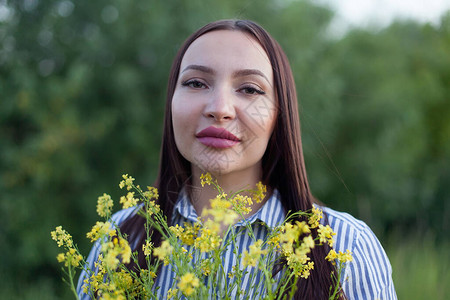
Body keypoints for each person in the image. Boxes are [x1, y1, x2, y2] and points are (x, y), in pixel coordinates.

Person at [77, 19, 397, 299]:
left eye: (249, 89)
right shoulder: (120, 238)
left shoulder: (346, 247)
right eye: (196, 83)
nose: (220, 108)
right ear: (170, 104)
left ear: (279, 115)